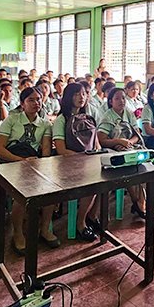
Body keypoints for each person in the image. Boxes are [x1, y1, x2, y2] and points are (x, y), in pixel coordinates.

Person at [0, 86, 60, 251]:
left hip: (34, 163)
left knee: (51, 188)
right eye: (31, 100)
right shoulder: (11, 120)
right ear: (22, 104)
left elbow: (45, 151)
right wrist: (22, 161)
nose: (36, 103)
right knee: (22, 191)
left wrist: (41, 167)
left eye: (38, 99)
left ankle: (44, 229)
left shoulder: (45, 124)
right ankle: (17, 233)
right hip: (11, 163)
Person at [52, 82, 101, 242]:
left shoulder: (88, 117)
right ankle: (80, 223)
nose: (81, 97)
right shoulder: (62, 119)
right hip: (68, 165)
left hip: (88, 161)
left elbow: (96, 144)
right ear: (68, 97)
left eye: (83, 94)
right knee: (93, 183)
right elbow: (61, 150)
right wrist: (84, 159)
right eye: (76, 94)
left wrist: (97, 156)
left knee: (108, 178)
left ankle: (92, 216)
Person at [98, 87, 147, 218]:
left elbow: (137, 134)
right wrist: (118, 142)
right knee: (129, 167)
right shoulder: (108, 116)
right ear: (110, 102)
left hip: (128, 147)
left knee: (139, 169)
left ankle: (139, 202)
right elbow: (101, 139)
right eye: (117, 98)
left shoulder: (129, 113)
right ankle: (138, 203)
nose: (122, 101)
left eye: (123, 98)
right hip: (112, 151)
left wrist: (128, 142)